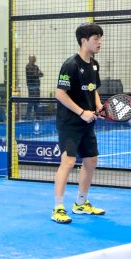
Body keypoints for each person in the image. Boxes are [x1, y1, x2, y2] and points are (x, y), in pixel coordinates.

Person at [51, 23, 106, 224]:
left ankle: (81, 203)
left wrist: (98, 105)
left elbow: (93, 89)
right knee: (68, 162)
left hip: (87, 122)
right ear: (84, 41)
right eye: (96, 39)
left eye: (100, 38)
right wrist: (82, 112)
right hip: (70, 123)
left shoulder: (94, 64)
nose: (99, 42)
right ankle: (58, 208)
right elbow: (60, 94)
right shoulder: (71, 65)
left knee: (91, 161)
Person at [25, 55, 44, 119]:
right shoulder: (27, 67)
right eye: (31, 59)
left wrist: (37, 74)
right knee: (31, 101)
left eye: (33, 59)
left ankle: (37, 116)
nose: (33, 60)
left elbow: (41, 74)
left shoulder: (36, 67)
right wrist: (37, 73)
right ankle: (28, 117)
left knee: (37, 101)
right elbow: (32, 75)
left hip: (37, 86)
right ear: (29, 59)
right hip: (31, 85)